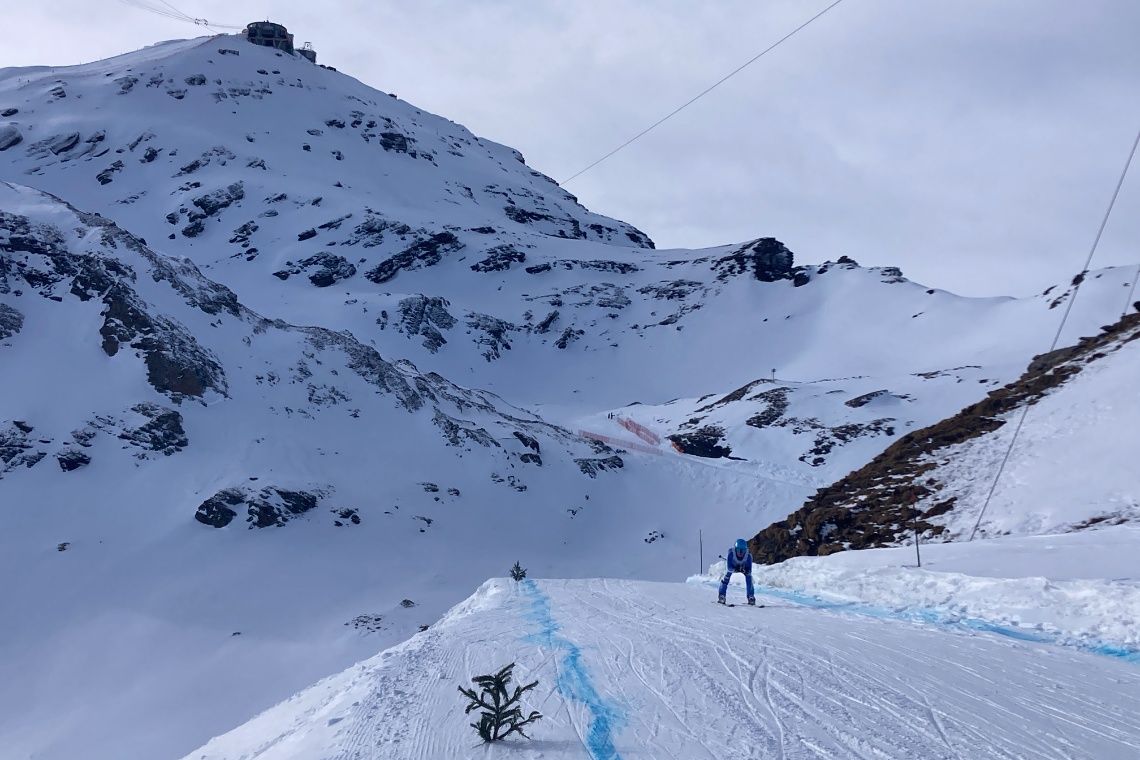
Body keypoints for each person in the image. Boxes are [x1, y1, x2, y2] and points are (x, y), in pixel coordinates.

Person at [718, 538, 755, 605]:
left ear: (746, 550)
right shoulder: (731, 554)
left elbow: (749, 570)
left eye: (742, 551)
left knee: (749, 578)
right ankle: (722, 595)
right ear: (735, 549)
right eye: (738, 550)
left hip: (743, 568)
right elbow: (729, 568)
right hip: (733, 568)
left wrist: (746, 571)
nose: (740, 553)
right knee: (726, 577)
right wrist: (735, 569)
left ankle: (750, 597)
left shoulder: (748, 556)